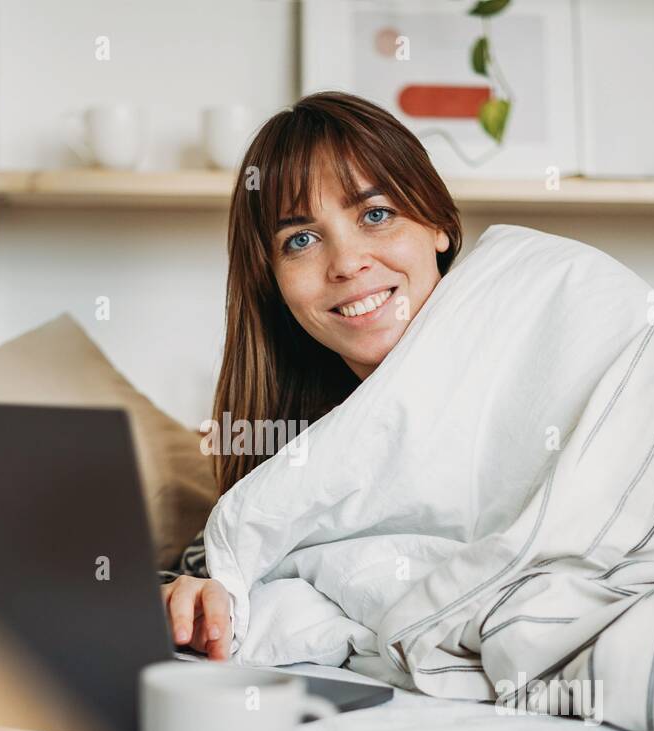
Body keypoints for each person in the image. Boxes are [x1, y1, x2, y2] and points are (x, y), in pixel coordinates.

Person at [159, 91, 463, 660]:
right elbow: (218, 560)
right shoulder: (298, 436)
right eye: (300, 240)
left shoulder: (528, 352)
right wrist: (194, 594)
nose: (347, 263)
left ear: (439, 224)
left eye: (377, 214)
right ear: (273, 281)